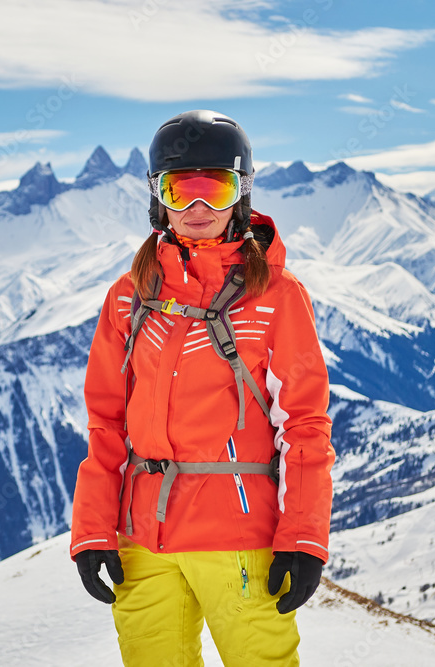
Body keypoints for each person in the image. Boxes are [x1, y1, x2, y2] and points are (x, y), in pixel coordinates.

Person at [70, 110, 335, 666]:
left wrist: (304, 538)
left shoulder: (277, 298)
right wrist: (93, 528)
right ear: (157, 197)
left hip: (238, 539)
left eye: (215, 189)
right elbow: (105, 422)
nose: (197, 209)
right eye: (179, 189)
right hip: (144, 540)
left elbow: (305, 424)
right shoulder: (130, 296)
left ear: (240, 196)